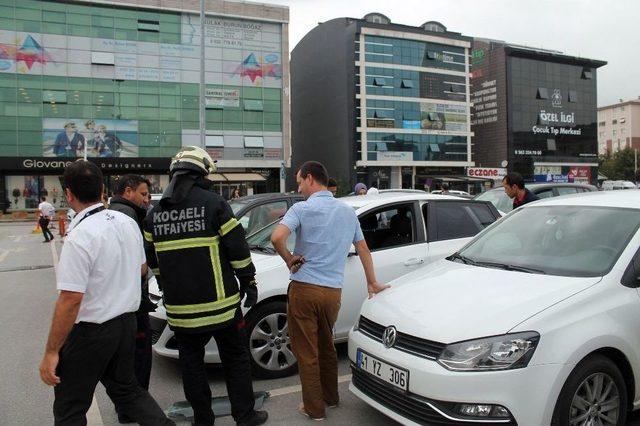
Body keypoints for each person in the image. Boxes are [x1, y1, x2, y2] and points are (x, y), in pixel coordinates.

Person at [38, 160, 173, 426]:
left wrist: (52, 351)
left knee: (70, 406)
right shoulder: (126, 222)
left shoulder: (79, 236)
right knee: (128, 390)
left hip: (92, 330)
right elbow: (142, 269)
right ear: (102, 188)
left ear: (68, 194)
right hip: (126, 324)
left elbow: (70, 299)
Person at [143, 146, 268, 426]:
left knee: (192, 367)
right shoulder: (214, 204)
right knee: (236, 361)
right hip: (222, 309)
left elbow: (153, 261)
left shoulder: (154, 215)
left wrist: (166, 285)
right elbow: (237, 250)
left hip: (181, 312)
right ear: (201, 172)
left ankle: (203, 420)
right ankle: (244, 417)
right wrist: (248, 281)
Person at [270, 161, 389, 421]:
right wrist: (372, 282)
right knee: (326, 346)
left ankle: (314, 409)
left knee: (306, 352)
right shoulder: (347, 212)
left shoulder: (301, 209)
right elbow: (363, 249)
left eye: (300, 182)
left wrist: (289, 259)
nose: (298, 187)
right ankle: (331, 398)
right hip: (332, 292)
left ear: (310, 179)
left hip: (304, 289)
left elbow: (277, 237)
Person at [108, 174, 157, 423]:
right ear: (128, 192)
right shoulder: (128, 217)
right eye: (143, 194)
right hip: (132, 303)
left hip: (120, 303)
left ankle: (126, 409)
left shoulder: (114, 211)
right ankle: (134, 409)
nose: (147, 200)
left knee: (125, 359)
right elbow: (137, 266)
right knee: (138, 356)